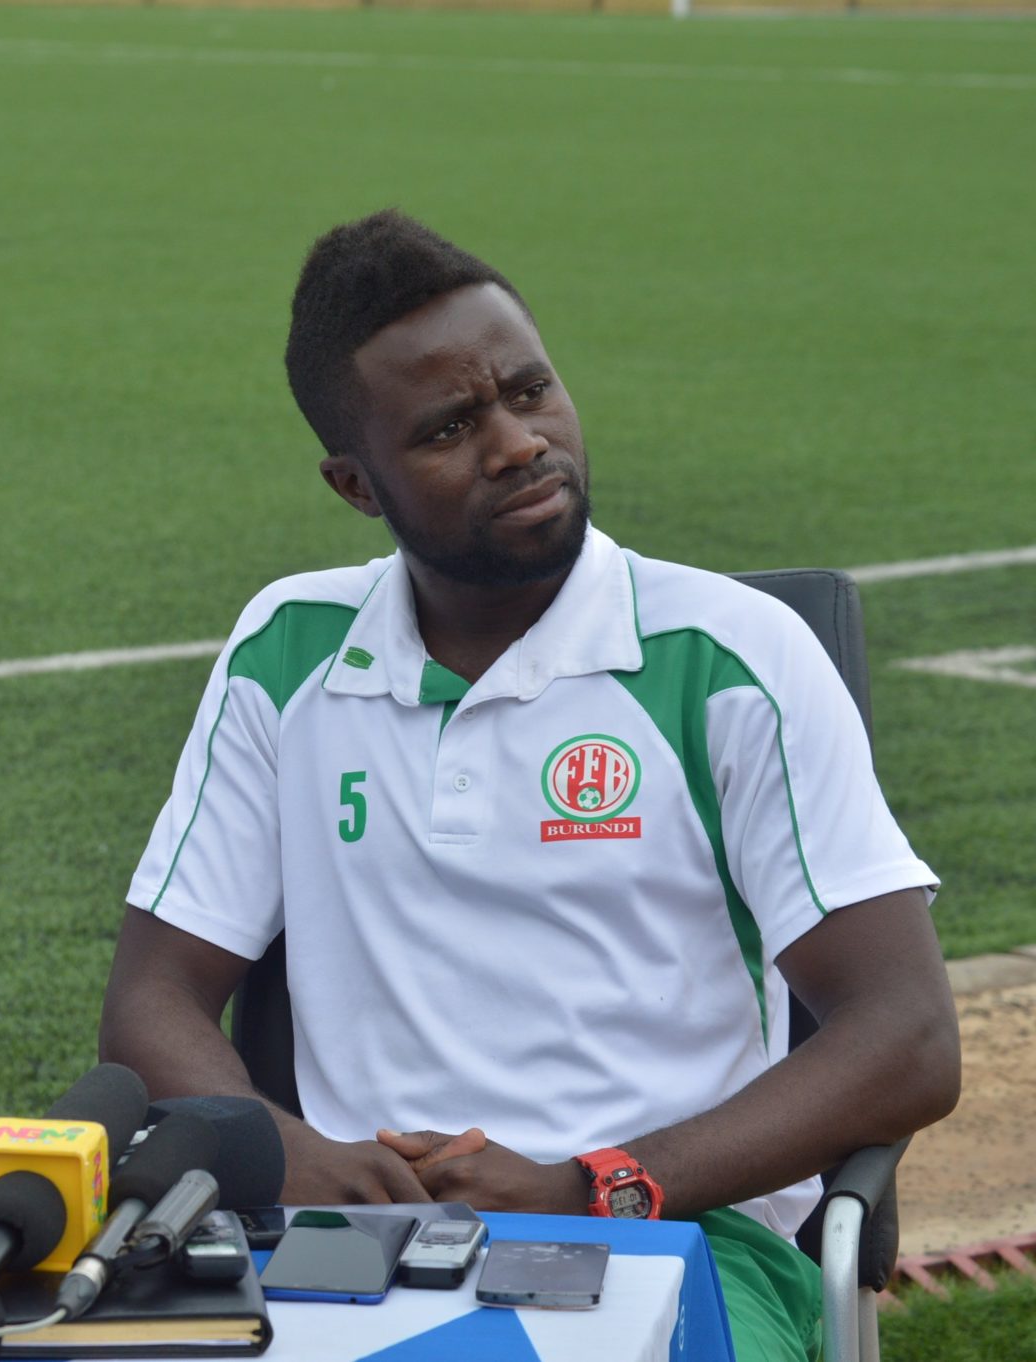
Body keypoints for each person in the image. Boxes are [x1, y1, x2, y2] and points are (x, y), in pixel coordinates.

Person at [98, 209, 959, 1361]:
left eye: (528, 390)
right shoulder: (286, 654)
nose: (515, 443)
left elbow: (905, 1036)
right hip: (352, 1246)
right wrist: (284, 1149)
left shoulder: (725, 658)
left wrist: (587, 1186)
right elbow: (152, 1000)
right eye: (450, 426)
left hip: (675, 1234)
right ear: (355, 484)